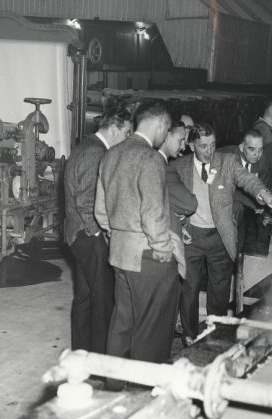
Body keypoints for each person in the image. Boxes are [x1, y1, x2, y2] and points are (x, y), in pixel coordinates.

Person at [94, 100, 185, 380]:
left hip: (120, 255)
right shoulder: (151, 158)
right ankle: (142, 395)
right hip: (148, 258)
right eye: (167, 128)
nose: (166, 135)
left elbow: (100, 209)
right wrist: (162, 248)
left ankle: (113, 386)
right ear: (159, 124)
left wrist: (118, 235)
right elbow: (153, 212)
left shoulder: (111, 154)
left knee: (122, 323)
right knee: (152, 330)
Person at [171, 123, 272, 344]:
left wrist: (266, 195)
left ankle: (215, 335)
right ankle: (189, 334)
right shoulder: (178, 166)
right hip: (191, 237)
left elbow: (248, 180)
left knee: (220, 291)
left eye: (213, 145)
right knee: (189, 288)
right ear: (192, 145)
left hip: (220, 237)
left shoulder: (227, 162)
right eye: (203, 146)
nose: (209, 151)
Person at [64, 106, 132, 354]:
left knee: (84, 297)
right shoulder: (95, 152)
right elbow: (85, 201)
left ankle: (81, 352)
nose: (127, 138)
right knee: (102, 299)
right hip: (88, 236)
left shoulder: (87, 146)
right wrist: (98, 234)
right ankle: (100, 357)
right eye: (126, 133)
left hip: (77, 234)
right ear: (114, 129)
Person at [218, 129, 271, 254]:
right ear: (242, 147)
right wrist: (254, 206)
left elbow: (264, 187)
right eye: (252, 149)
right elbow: (229, 191)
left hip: (245, 205)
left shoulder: (263, 161)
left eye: (260, 149)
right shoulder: (226, 156)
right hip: (221, 200)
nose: (257, 154)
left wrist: (266, 213)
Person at [156, 120, 198, 236]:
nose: (183, 147)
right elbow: (190, 203)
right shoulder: (163, 167)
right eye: (180, 141)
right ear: (168, 136)